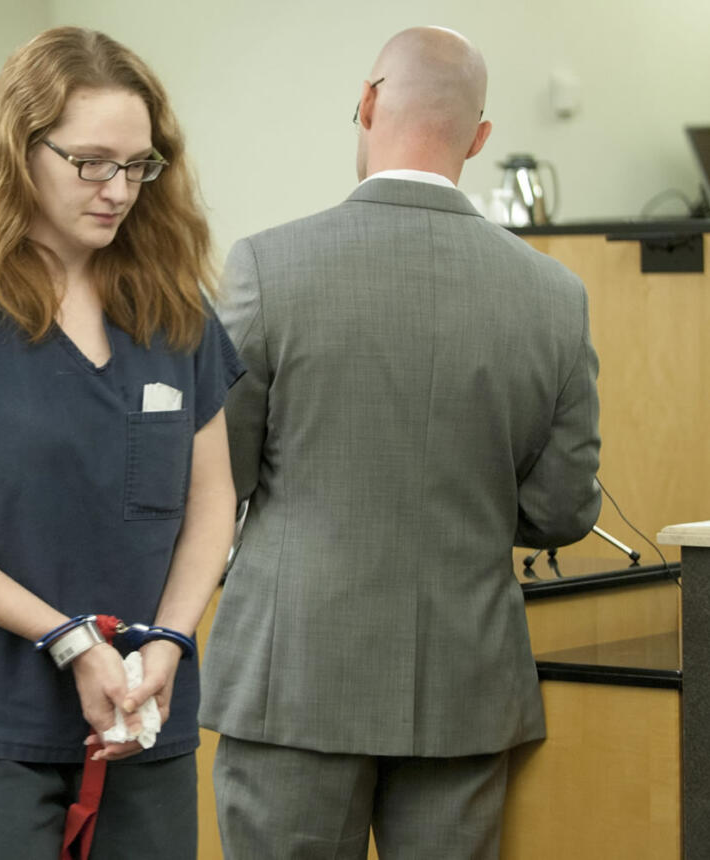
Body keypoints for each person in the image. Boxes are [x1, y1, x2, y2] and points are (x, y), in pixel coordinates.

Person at [200, 26, 602, 860]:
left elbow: (217, 480)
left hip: (292, 681)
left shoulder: (268, 268)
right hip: (466, 685)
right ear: (479, 138)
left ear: (371, 102)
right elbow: (563, 510)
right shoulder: (555, 298)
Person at [0, 26, 242, 860]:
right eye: (91, 161)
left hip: (144, 717)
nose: (119, 188)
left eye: (138, 165)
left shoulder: (177, 312)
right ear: (20, 151)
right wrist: (69, 639)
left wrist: (170, 638)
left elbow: (211, 503)